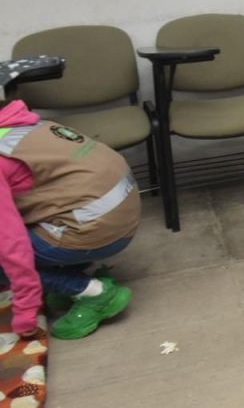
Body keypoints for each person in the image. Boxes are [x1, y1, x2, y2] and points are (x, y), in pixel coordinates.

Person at [0, 98, 140, 340]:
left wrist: (25, 311)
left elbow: (11, 244)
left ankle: (94, 293)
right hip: (122, 215)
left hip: (96, 230)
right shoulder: (22, 125)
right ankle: (75, 275)